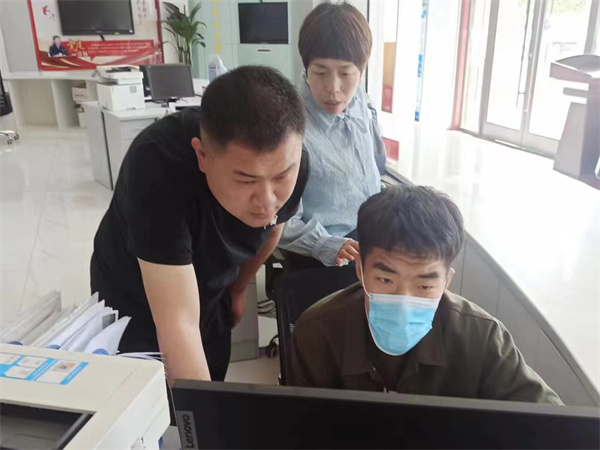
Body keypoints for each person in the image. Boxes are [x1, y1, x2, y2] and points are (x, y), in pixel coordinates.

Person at [91, 66, 308, 384]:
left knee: (210, 366)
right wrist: (204, 414)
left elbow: (274, 229)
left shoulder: (291, 161)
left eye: (281, 177)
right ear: (202, 155)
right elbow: (177, 321)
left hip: (209, 289)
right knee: (148, 391)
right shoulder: (157, 166)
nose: (267, 200)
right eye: (246, 180)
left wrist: (237, 289)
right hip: (134, 293)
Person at [289, 185, 562, 404]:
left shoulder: (481, 337)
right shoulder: (317, 333)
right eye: (386, 279)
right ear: (360, 269)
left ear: (446, 282)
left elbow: (549, 422)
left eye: (424, 286)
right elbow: (298, 430)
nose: (404, 301)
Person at [277, 2, 386, 304]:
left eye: (346, 73)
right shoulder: (289, 125)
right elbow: (280, 221)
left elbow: (374, 166)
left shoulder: (360, 100)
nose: (333, 89)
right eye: (321, 72)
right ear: (306, 67)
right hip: (322, 255)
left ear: (361, 70)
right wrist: (326, 244)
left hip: (368, 238)